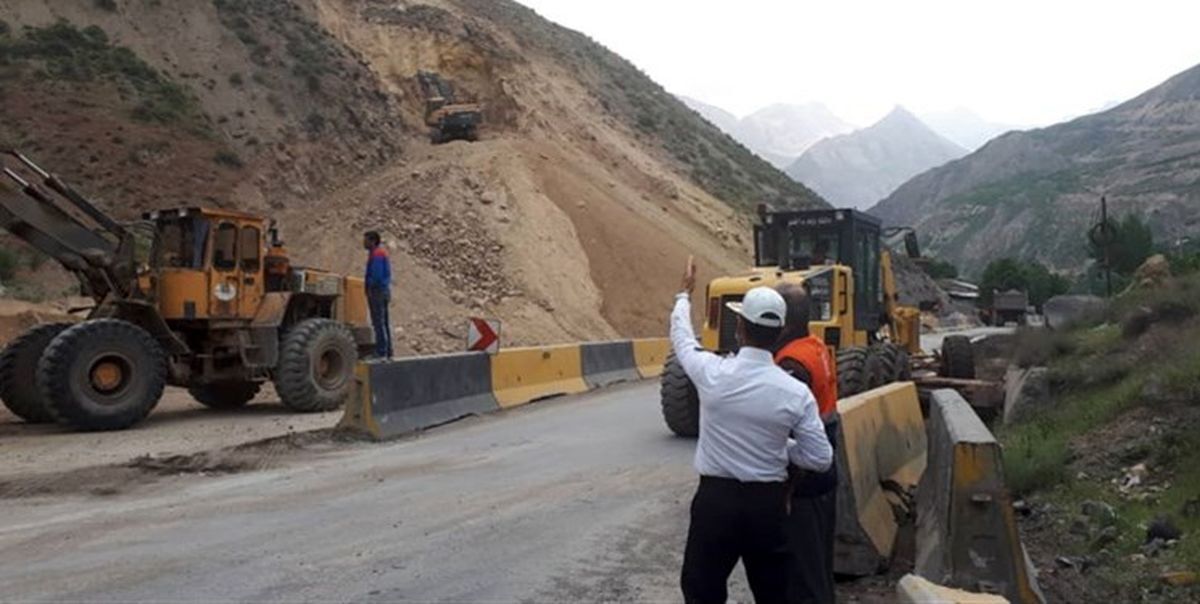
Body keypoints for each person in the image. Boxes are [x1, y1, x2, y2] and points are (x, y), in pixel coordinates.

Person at [671, 256, 833, 604]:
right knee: (773, 591)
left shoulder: (713, 373)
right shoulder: (794, 392)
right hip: (767, 506)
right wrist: (779, 448)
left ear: (740, 328)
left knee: (702, 589)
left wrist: (683, 295)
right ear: (780, 331)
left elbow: (683, 341)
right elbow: (820, 458)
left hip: (715, 502)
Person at [774, 284, 840, 604]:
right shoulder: (814, 347)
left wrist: (787, 489)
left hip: (803, 485)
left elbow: (787, 434)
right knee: (818, 569)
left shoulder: (790, 366)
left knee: (801, 577)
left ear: (784, 324)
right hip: (823, 481)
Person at [363, 230, 393, 358]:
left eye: (366, 240)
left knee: (378, 322)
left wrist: (370, 286)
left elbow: (377, 276)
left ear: (373, 241)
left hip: (378, 291)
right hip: (382, 291)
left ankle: (381, 352)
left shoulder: (377, 255)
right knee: (383, 322)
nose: (364, 242)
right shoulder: (377, 253)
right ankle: (388, 352)